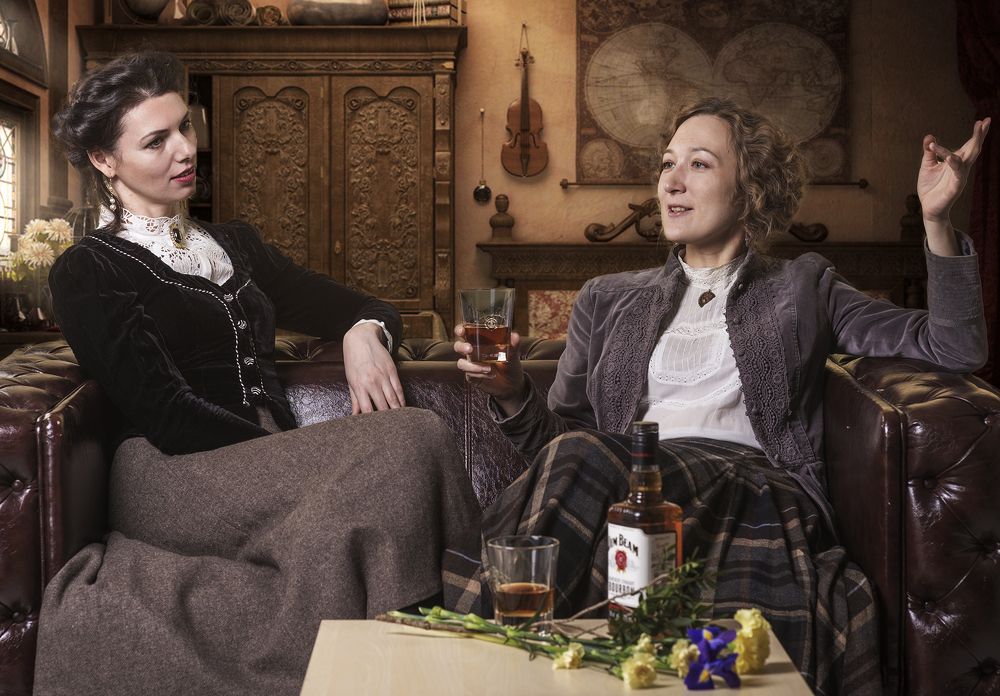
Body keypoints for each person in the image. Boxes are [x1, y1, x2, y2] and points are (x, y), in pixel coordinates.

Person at [452, 97, 990, 695]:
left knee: (585, 468)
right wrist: (512, 392)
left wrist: (937, 220)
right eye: (667, 163)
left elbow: (954, 346)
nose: (672, 181)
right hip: (631, 494)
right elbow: (560, 449)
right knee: (580, 461)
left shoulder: (803, 286)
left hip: (752, 494)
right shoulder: (607, 299)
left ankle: (475, 653)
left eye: (700, 164)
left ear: (750, 188)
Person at [34, 52, 482, 695]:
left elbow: (362, 305)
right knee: (414, 436)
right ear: (105, 160)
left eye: (184, 127)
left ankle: (410, 666)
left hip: (267, 464)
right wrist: (301, 457)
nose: (184, 150)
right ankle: (468, 633)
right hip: (173, 472)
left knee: (393, 466)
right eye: (156, 141)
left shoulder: (235, 244)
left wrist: (363, 332)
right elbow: (165, 413)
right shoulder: (88, 270)